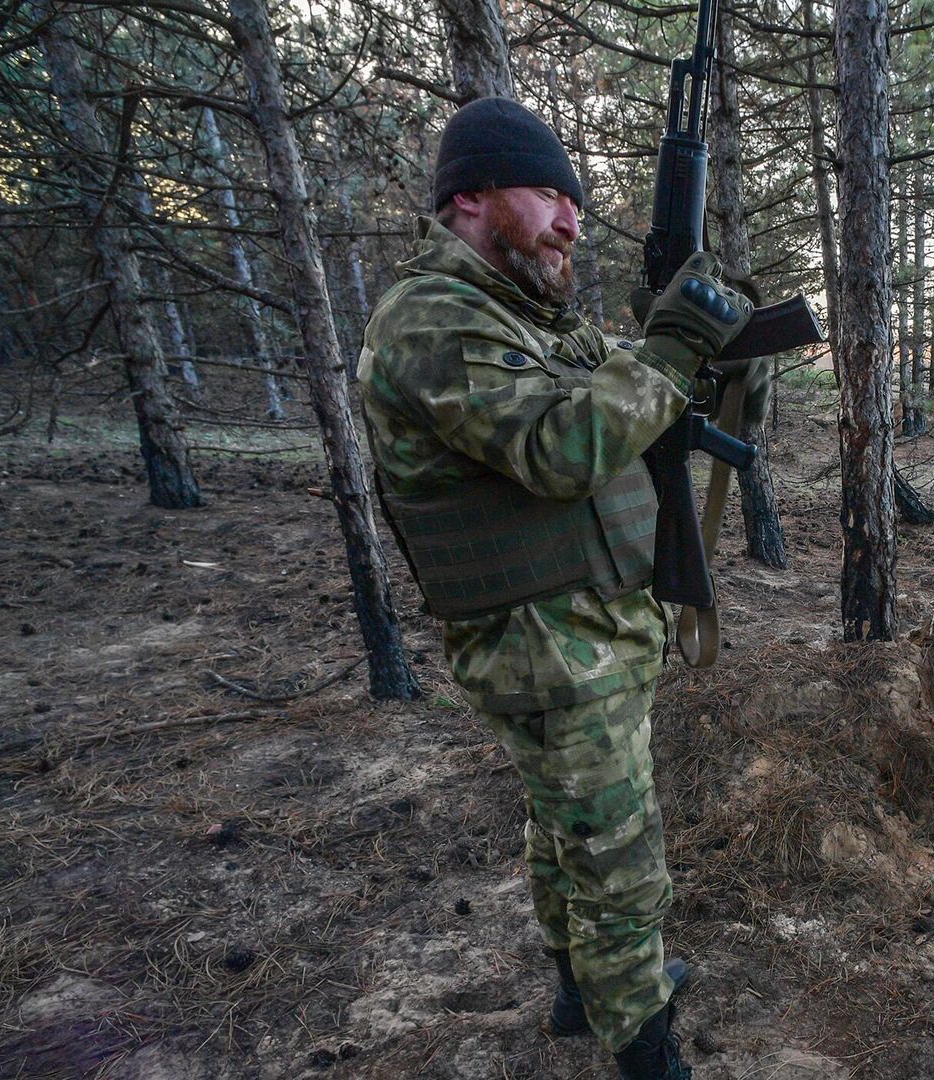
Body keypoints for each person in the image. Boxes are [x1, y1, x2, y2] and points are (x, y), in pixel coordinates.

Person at [357, 97, 756, 1080]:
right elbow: (561, 445)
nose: (573, 220)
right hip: (548, 646)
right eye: (550, 195)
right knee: (619, 859)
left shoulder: (519, 316)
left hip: (579, 633)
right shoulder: (433, 321)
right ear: (471, 197)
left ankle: (583, 994)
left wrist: (704, 347)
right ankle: (646, 1046)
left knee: (566, 826)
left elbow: (625, 394)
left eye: (575, 200)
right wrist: (671, 351)